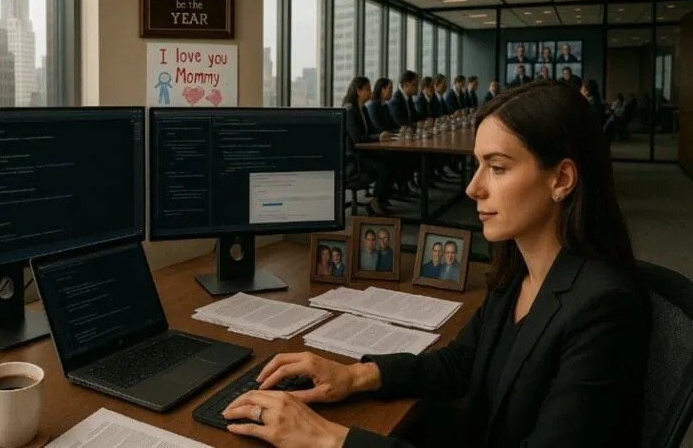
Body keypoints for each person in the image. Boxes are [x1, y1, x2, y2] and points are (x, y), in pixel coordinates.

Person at [221, 80, 649, 448]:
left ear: (561, 180)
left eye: (497, 168)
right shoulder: (521, 269)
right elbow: (461, 362)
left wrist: (331, 439)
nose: (473, 188)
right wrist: (354, 375)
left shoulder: (604, 308)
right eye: (477, 166)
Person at [342, 76, 394, 215]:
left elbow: (371, 130)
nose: (371, 92)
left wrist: (382, 133)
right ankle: (375, 203)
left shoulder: (363, 109)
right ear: (358, 91)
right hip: (353, 158)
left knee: (392, 158)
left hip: (363, 153)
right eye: (368, 89)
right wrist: (378, 137)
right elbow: (357, 139)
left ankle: (380, 200)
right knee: (384, 166)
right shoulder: (349, 111)